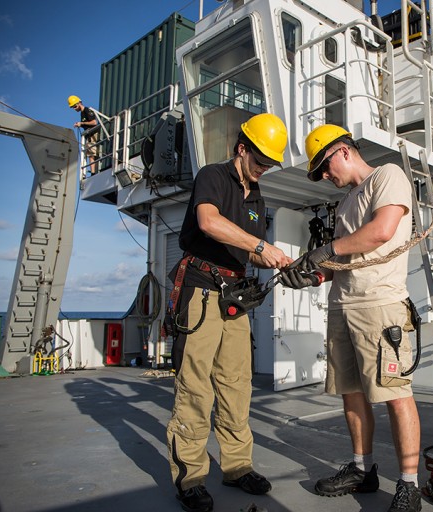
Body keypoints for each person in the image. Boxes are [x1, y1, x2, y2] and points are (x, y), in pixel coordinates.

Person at [280, 124, 423, 512]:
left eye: (325, 167)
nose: (326, 176)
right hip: (343, 305)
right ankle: (362, 469)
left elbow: (381, 232)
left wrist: (323, 250)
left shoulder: (387, 176)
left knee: (395, 394)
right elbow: (343, 258)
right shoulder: (346, 204)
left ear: (343, 150)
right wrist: (312, 273)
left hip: (380, 306)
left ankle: (409, 486)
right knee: (351, 392)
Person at [166, 112, 294, 512]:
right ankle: (190, 477)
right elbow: (208, 222)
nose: (263, 170)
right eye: (259, 162)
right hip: (201, 293)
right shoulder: (213, 176)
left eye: (269, 165)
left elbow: (247, 248)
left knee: (237, 385)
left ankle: (237, 467)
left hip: (234, 299)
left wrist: (283, 265)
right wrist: (261, 248)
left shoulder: (256, 196)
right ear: (242, 149)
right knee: (195, 387)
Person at [67, 95, 99, 176]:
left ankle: (93, 173)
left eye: (74, 106)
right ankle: (93, 172)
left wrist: (81, 123)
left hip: (93, 135)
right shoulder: (82, 113)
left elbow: (94, 122)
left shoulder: (87, 110)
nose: (74, 109)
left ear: (79, 103)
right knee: (90, 155)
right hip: (89, 137)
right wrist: (80, 124)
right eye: (73, 107)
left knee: (92, 154)